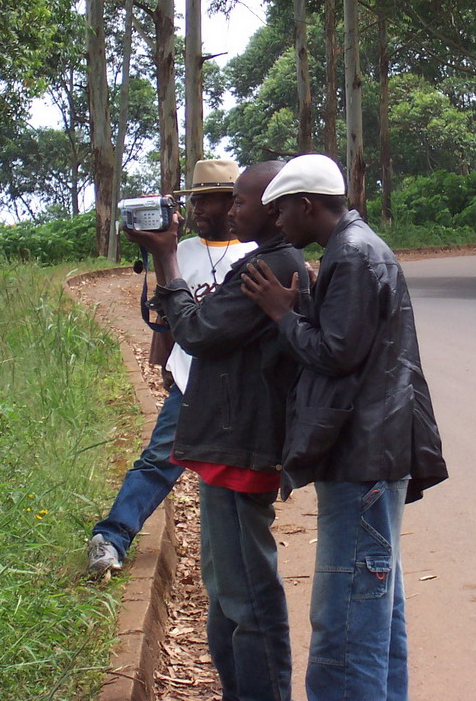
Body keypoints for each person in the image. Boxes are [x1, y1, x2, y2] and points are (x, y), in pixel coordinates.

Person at [240, 153, 449, 701]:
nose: (278, 223)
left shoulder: (353, 256)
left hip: (363, 461)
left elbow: (336, 352)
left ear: (307, 205)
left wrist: (282, 314)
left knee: (346, 625)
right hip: (373, 456)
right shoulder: (356, 249)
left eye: (281, 210)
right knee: (376, 619)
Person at [125, 161, 305, 701]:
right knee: (226, 591)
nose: (229, 212)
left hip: (241, 446)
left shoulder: (268, 268)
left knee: (248, 594)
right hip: (227, 443)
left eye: (238, 202)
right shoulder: (262, 262)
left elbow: (200, 332)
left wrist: (164, 257)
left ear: (273, 209)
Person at [87, 159, 256, 577]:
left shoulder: (254, 251)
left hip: (243, 385)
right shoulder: (178, 251)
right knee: (160, 459)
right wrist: (162, 362)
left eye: (206, 201)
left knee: (237, 475)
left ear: (231, 202)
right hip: (192, 382)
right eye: (193, 200)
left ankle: (235, 561)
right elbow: (166, 309)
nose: (196, 209)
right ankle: (111, 538)